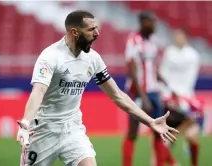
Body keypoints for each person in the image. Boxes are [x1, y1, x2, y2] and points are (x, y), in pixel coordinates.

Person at [17, 10, 178, 166]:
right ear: (74, 32)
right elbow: (38, 91)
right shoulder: (51, 56)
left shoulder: (92, 58)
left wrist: (150, 122)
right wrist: (25, 123)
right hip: (44, 130)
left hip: (72, 129)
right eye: (91, 29)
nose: (97, 33)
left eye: (97, 28)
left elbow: (117, 95)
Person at [122, 11, 177, 166]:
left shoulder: (153, 40)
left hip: (153, 92)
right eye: (151, 22)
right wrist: (142, 96)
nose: (154, 25)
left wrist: (165, 83)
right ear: (143, 22)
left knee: (159, 132)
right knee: (133, 133)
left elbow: (153, 67)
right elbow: (132, 69)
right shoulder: (133, 40)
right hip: (138, 93)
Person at [160, 29, 202, 166]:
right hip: (169, 101)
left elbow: (191, 78)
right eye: (175, 36)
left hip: (186, 100)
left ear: (186, 38)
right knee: (163, 142)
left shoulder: (193, 55)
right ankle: (170, 162)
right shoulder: (169, 53)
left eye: (179, 36)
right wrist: (168, 93)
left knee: (191, 136)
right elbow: (163, 73)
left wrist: (181, 96)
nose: (176, 38)